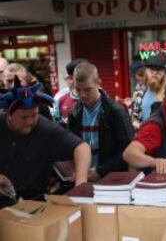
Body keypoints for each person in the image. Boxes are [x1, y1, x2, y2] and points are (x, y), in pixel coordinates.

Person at [0, 78, 91, 206]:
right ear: (9, 114)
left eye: (34, 115)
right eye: (24, 117)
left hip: (34, 202)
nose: (30, 122)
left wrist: (81, 182)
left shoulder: (44, 127)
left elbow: (82, 148)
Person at [68, 62, 134, 182]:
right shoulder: (74, 113)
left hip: (112, 180)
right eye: (78, 89)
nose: (82, 95)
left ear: (99, 83)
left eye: (87, 90)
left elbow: (129, 150)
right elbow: (71, 148)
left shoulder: (116, 111)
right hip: (83, 178)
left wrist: (101, 171)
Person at [131, 53, 166, 129]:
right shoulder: (140, 93)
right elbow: (134, 117)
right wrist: (136, 123)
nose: (154, 73)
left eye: (158, 71)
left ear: (164, 74)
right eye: (151, 70)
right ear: (146, 72)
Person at [54, 58, 88, 126]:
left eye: (72, 78)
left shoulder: (100, 98)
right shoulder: (60, 97)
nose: (69, 81)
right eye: (68, 77)